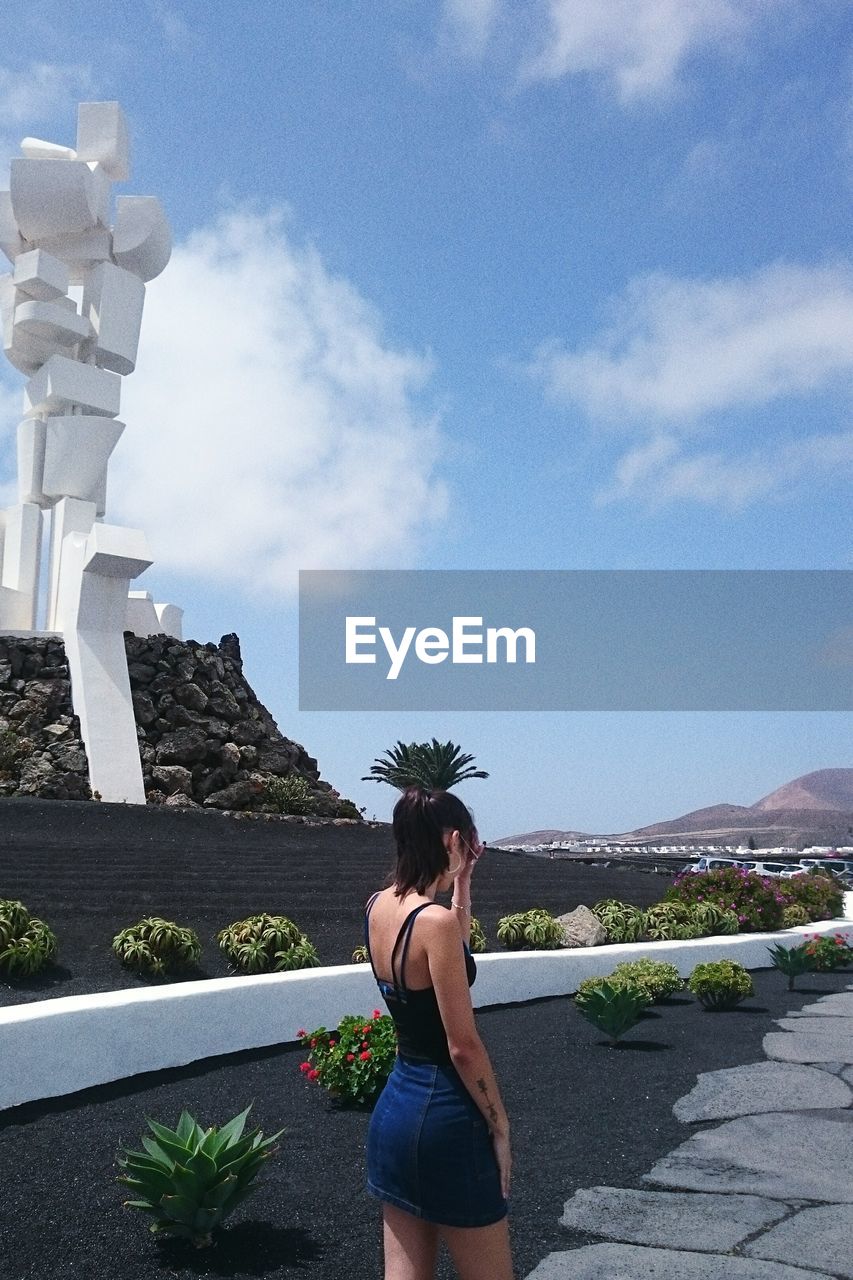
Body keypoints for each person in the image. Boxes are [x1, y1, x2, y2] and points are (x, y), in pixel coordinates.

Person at [363, 786, 514, 1280]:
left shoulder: (379, 906)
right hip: (447, 1118)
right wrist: (500, 1124)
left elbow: (451, 959)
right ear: (454, 839)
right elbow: (463, 1047)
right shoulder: (434, 925)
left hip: (396, 1112)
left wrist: (462, 885)